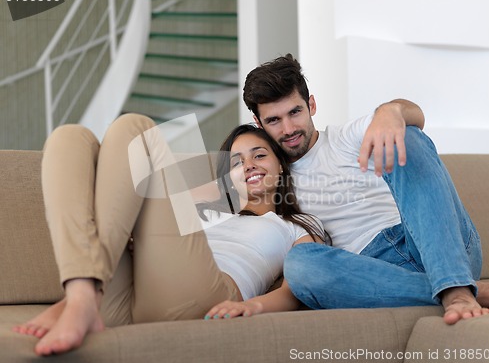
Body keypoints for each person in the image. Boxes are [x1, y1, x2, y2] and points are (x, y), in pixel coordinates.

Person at [13, 114, 329, 356]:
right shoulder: (213, 206)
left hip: (205, 295)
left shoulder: (296, 224)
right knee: (71, 138)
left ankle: (79, 296)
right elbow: (136, 209)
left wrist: (254, 307)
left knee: (135, 127)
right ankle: (85, 290)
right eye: (236, 162)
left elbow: (300, 283)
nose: (248, 166)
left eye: (259, 155)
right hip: (125, 299)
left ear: (281, 165)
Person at [239, 53, 489, 325]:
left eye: (295, 112)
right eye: (274, 121)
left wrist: (391, 111)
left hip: (435, 243)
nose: (289, 128)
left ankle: (456, 287)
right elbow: (213, 202)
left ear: (311, 105)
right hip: (372, 273)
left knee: (405, 133)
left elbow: (415, 116)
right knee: (300, 264)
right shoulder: (266, 176)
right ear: (258, 124)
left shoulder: (344, 138)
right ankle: (470, 292)